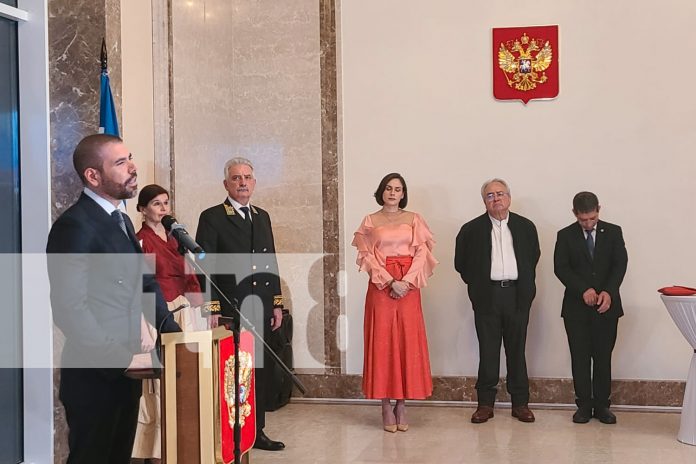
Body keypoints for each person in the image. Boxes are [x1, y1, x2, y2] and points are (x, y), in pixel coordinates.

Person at [46, 134, 179, 464]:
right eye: (120, 163)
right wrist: (121, 360)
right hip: (97, 375)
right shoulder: (74, 226)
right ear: (93, 176)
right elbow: (69, 309)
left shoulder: (119, 220)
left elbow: (146, 284)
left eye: (129, 158)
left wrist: (174, 332)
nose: (133, 167)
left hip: (126, 372)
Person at [195, 157, 285, 451]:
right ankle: (231, 432)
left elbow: (269, 260)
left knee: (257, 371)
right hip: (231, 309)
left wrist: (276, 303)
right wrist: (212, 308)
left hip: (259, 306)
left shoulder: (262, 216)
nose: (242, 182)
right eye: (236, 178)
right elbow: (203, 266)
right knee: (234, 373)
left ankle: (255, 431)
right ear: (226, 184)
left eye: (247, 177)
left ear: (254, 183)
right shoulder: (212, 217)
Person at [352, 173, 437, 432]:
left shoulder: (414, 219)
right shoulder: (370, 220)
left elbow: (423, 252)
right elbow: (366, 255)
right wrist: (389, 281)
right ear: (382, 191)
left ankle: (402, 403)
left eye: (398, 189)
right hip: (381, 286)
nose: (392, 193)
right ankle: (385, 405)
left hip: (409, 287)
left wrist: (408, 281)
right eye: (388, 188)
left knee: (406, 341)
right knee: (383, 342)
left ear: (403, 194)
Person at [454, 178, 540, 424]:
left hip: (517, 296)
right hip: (487, 297)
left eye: (500, 194)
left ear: (509, 198)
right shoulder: (471, 229)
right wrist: (479, 285)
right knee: (488, 351)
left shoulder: (525, 227)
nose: (496, 199)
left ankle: (520, 403)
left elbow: (533, 256)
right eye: (490, 195)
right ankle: (485, 404)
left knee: (517, 350)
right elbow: (461, 264)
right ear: (484, 201)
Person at [131, 184, 205, 462]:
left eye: (166, 203)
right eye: (156, 204)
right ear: (142, 209)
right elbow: (143, 286)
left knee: (187, 375)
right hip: (159, 312)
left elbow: (191, 273)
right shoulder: (141, 241)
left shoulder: (177, 238)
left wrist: (202, 308)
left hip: (186, 310)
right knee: (161, 383)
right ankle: (157, 448)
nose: (163, 209)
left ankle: (186, 439)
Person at [553, 191, 627, 424]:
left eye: (592, 218)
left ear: (599, 210)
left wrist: (609, 292)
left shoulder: (613, 232)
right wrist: (582, 289)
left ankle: (603, 406)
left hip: (607, 306)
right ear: (574, 214)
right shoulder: (565, 235)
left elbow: (620, 264)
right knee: (580, 357)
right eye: (583, 219)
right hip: (576, 309)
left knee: (603, 357)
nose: (588, 223)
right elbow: (561, 268)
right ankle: (584, 405)